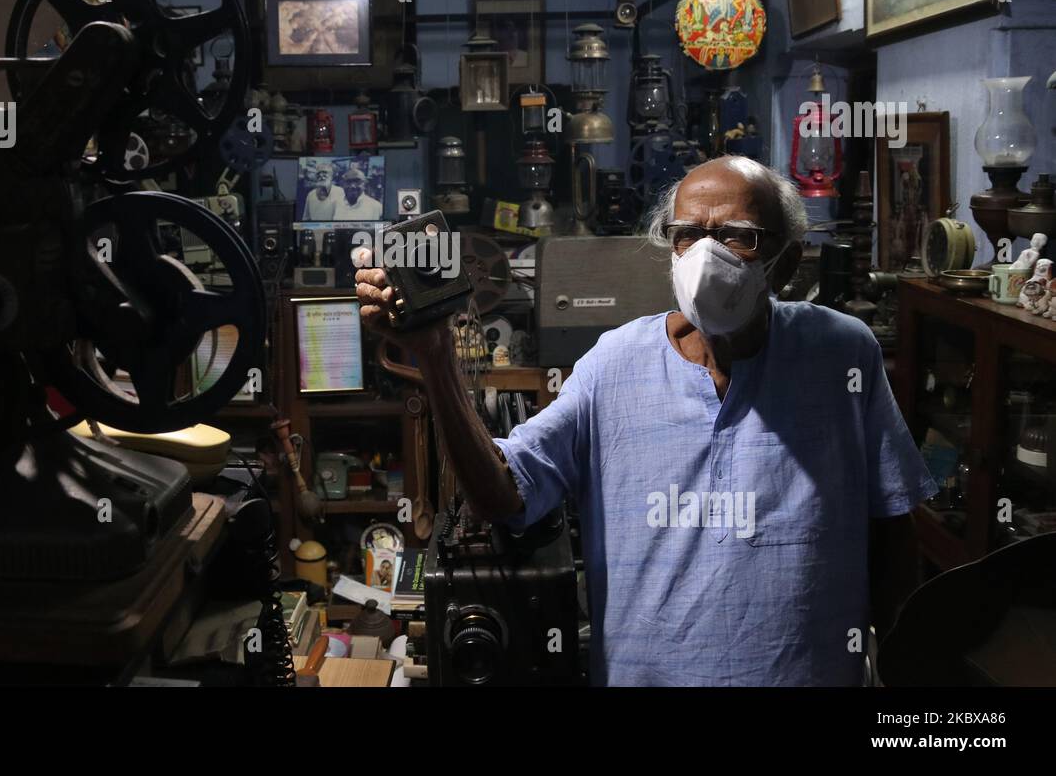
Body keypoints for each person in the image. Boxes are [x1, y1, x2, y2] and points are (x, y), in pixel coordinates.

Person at [355, 156, 936, 686]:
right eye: (688, 235)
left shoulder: (840, 355)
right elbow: (504, 494)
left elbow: (892, 527)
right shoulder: (615, 364)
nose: (708, 254)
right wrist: (435, 357)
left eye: (738, 236)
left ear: (784, 261)